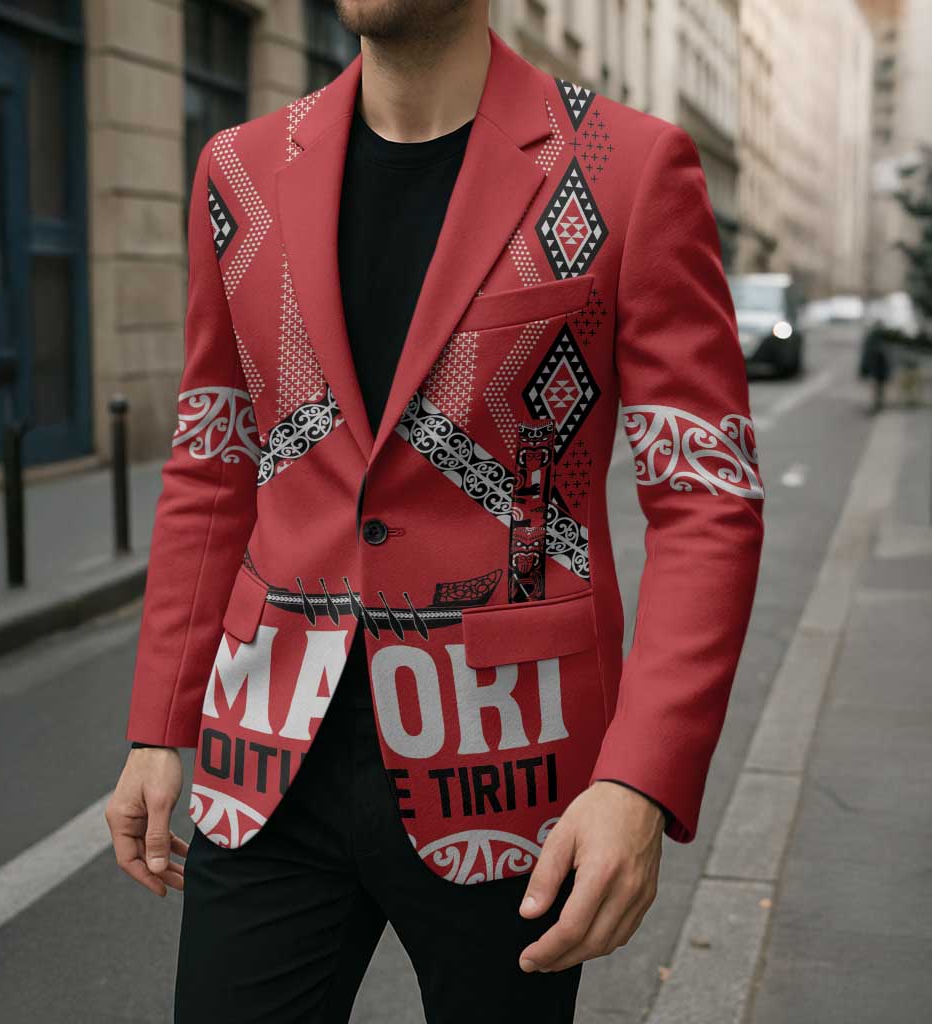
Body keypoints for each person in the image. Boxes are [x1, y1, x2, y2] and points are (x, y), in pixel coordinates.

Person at [105, 2, 765, 1020]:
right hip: (268, 751)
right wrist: (159, 721)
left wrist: (639, 780)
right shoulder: (237, 170)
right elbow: (212, 459)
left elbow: (705, 497)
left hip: (515, 767)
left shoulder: (628, 167)